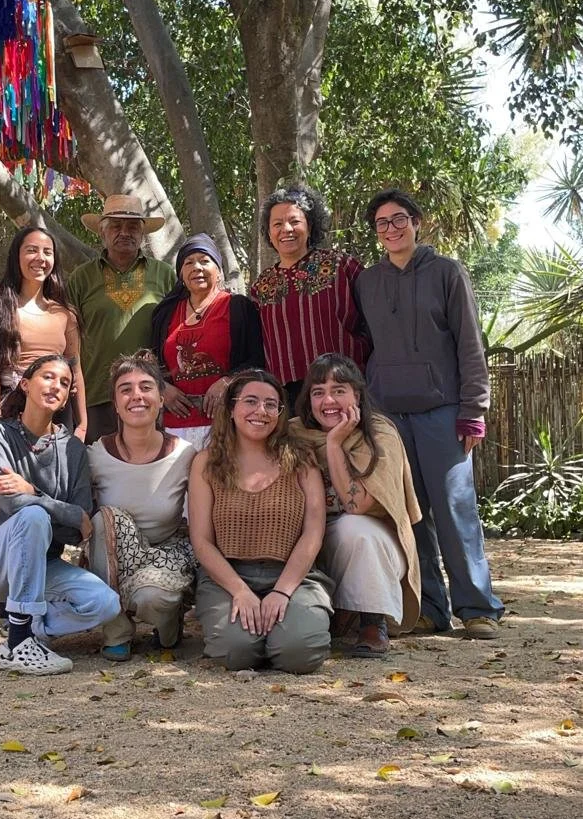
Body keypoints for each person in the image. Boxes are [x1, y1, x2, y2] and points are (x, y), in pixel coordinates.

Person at [355, 189, 503, 639]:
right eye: (382, 224)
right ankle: (429, 608)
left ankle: (477, 607)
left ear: (417, 223)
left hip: (443, 412)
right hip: (392, 417)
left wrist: (473, 410)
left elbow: (470, 344)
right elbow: (369, 347)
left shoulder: (447, 272)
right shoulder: (367, 282)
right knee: (410, 516)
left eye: (399, 219)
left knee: (455, 510)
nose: (392, 229)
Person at [0, 354, 121, 674]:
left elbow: (80, 529)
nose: (56, 386)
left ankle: (30, 628)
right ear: (25, 384)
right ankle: (17, 644)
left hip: (43, 563)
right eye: (48, 377)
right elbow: (12, 507)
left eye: (65, 383)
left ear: (67, 399)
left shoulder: (73, 449)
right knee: (31, 518)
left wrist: (35, 494)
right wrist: (64, 514)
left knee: (105, 603)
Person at [188, 370, 332, 673]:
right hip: (227, 577)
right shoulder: (207, 462)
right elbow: (201, 541)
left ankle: (281, 635)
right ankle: (261, 637)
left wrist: (282, 591)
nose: (261, 412)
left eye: (271, 404)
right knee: (234, 652)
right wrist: (240, 590)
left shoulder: (301, 459)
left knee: (300, 654)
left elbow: (313, 532)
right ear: (230, 409)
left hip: (292, 575)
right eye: (250, 401)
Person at [290, 354, 422, 657]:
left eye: (339, 390)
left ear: (357, 396)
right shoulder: (294, 433)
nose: (328, 401)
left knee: (354, 528)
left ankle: (372, 621)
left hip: (374, 547)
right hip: (310, 543)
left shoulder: (379, 433)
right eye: (318, 392)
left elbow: (357, 504)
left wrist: (335, 445)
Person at [83, 352, 197, 661]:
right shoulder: (96, 454)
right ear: (115, 404)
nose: (137, 396)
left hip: (167, 553)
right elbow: (61, 494)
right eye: (126, 389)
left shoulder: (186, 454)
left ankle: (168, 619)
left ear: (161, 398)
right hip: (114, 557)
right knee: (104, 520)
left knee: (153, 599)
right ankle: (116, 630)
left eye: (146, 387)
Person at [67, 194, 176, 443]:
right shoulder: (81, 278)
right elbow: (68, 338)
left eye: (132, 227)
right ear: (103, 233)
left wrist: (165, 384)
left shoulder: (165, 275)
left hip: (149, 394)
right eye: (116, 226)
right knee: (101, 472)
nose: (124, 233)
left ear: (142, 234)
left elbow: (177, 333)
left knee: (149, 469)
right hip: (96, 394)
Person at [250, 185, 369, 409]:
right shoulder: (261, 286)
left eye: (295, 221)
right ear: (268, 233)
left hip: (344, 386)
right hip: (288, 395)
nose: (286, 229)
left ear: (310, 225)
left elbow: (374, 320)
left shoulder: (341, 266)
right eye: (277, 224)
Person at [151, 234, 266, 449]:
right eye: (188, 262)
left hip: (227, 421)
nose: (197, 267)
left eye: (205, 261)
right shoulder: (165, 314)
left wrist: (228, 381)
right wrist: (162, 386)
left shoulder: (238, 307)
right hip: (175, 426)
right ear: (181, 274)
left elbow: (258, 359)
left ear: (219, 270)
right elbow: (152, 363)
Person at [0, 225, 88, 437]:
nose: (41, 258)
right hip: (12, 413)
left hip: (58, 417)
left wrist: (82, 425)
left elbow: (76, 372)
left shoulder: (65, 314)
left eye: (48, 252)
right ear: (16, 257)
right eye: (31, 250)